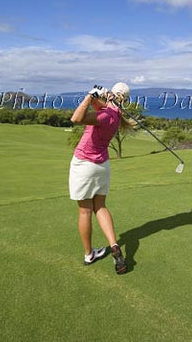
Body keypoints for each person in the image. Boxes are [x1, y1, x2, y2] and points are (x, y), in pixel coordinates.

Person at [68, 82, 133, 275]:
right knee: (100, 207)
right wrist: (99, 95)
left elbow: (76, 118)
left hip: (84, 166)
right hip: (102, 166)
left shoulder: (104, 116)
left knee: (85, 212)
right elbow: (100, 105)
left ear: (115, 94)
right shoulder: (115, 114)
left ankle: (89, 254)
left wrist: (89, 96)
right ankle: (114, 245)